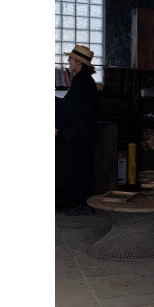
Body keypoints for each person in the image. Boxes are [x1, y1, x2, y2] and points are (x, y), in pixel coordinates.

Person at [56, 45, 99, 215]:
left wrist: (57, 125)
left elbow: (70, 109)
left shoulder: (82, 83)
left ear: (79, 62)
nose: (69, 61)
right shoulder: (86, 82)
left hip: (75, 136)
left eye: (71, 59)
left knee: (70, 169)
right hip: (82, 134)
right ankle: (76, 203)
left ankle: (72, 204)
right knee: (79, 168)